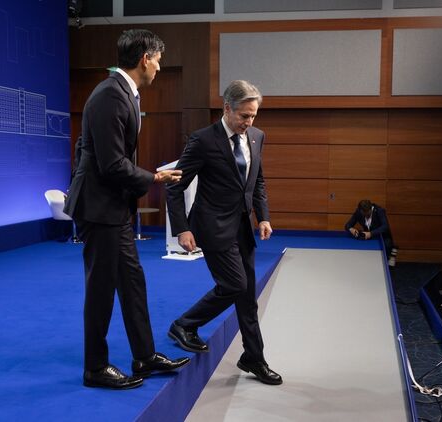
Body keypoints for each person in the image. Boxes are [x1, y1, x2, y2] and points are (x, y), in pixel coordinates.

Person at [64, 29, 189, 390]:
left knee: (133, 283)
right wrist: (154, 177)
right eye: (158, 60)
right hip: (99, 209)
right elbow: (110, 164)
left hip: (113, 208)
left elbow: (88, 149)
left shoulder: (124, 93)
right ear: (145, 59)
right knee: (101, 289)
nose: (160, 68)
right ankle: (95, 368)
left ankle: (144, 356)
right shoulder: (110, 95)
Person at [165, 80, 282, 385]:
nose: (249, 122)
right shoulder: (203, 140)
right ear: (227, 108)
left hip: (243, 228)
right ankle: (184, 324)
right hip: (212, 227)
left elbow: (257, 181)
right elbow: (175, 186)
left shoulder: (257, 136)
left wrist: (263, 217)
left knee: (247, 297)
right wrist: (182, 229)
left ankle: (254, 358)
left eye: (253, 115)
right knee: (234, 284)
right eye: (244, 115)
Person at [344, 199, 398, 266]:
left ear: (371, 209)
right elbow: (347, 225)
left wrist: (371, 233)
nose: (366, 215)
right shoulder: (358, 212)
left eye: (367, 213)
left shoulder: (379, 211)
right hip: (368, 237)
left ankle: (391, 253)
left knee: (385, 259)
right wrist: (351, 229)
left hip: (382, 236)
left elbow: (385, 227)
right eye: (363, 214)